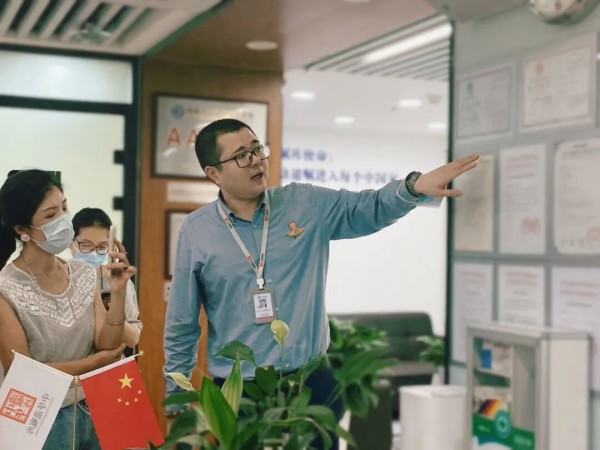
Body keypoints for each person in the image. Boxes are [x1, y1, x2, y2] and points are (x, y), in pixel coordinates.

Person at [162, 119, 478, 447]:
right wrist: (177, 403)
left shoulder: (304, 203)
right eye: (242, 155)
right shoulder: (196, 232)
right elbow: (182, 324)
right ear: (214, 173)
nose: (256, 161)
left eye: (257, 149)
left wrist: (413, 186)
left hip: (311, 384)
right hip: (239, 392)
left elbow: (367, 207)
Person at [0, 169, 136, 450]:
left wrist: (119, 292)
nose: (63, 220)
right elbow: (22, 372)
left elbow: (106, 342)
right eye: (51, 215)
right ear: (22, 230)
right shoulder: (6, 288)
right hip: (42, 419)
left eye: (64, 208)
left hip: (101, 403)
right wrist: (93, 364)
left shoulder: (83, 273)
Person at [70, 207, 142, 348]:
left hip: (112, 359)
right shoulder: (60, 279)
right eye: (86, 245)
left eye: (102, 247)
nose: (94, 253)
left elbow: (133, 339)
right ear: (70, 243)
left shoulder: (118, 282)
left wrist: (112, 314)